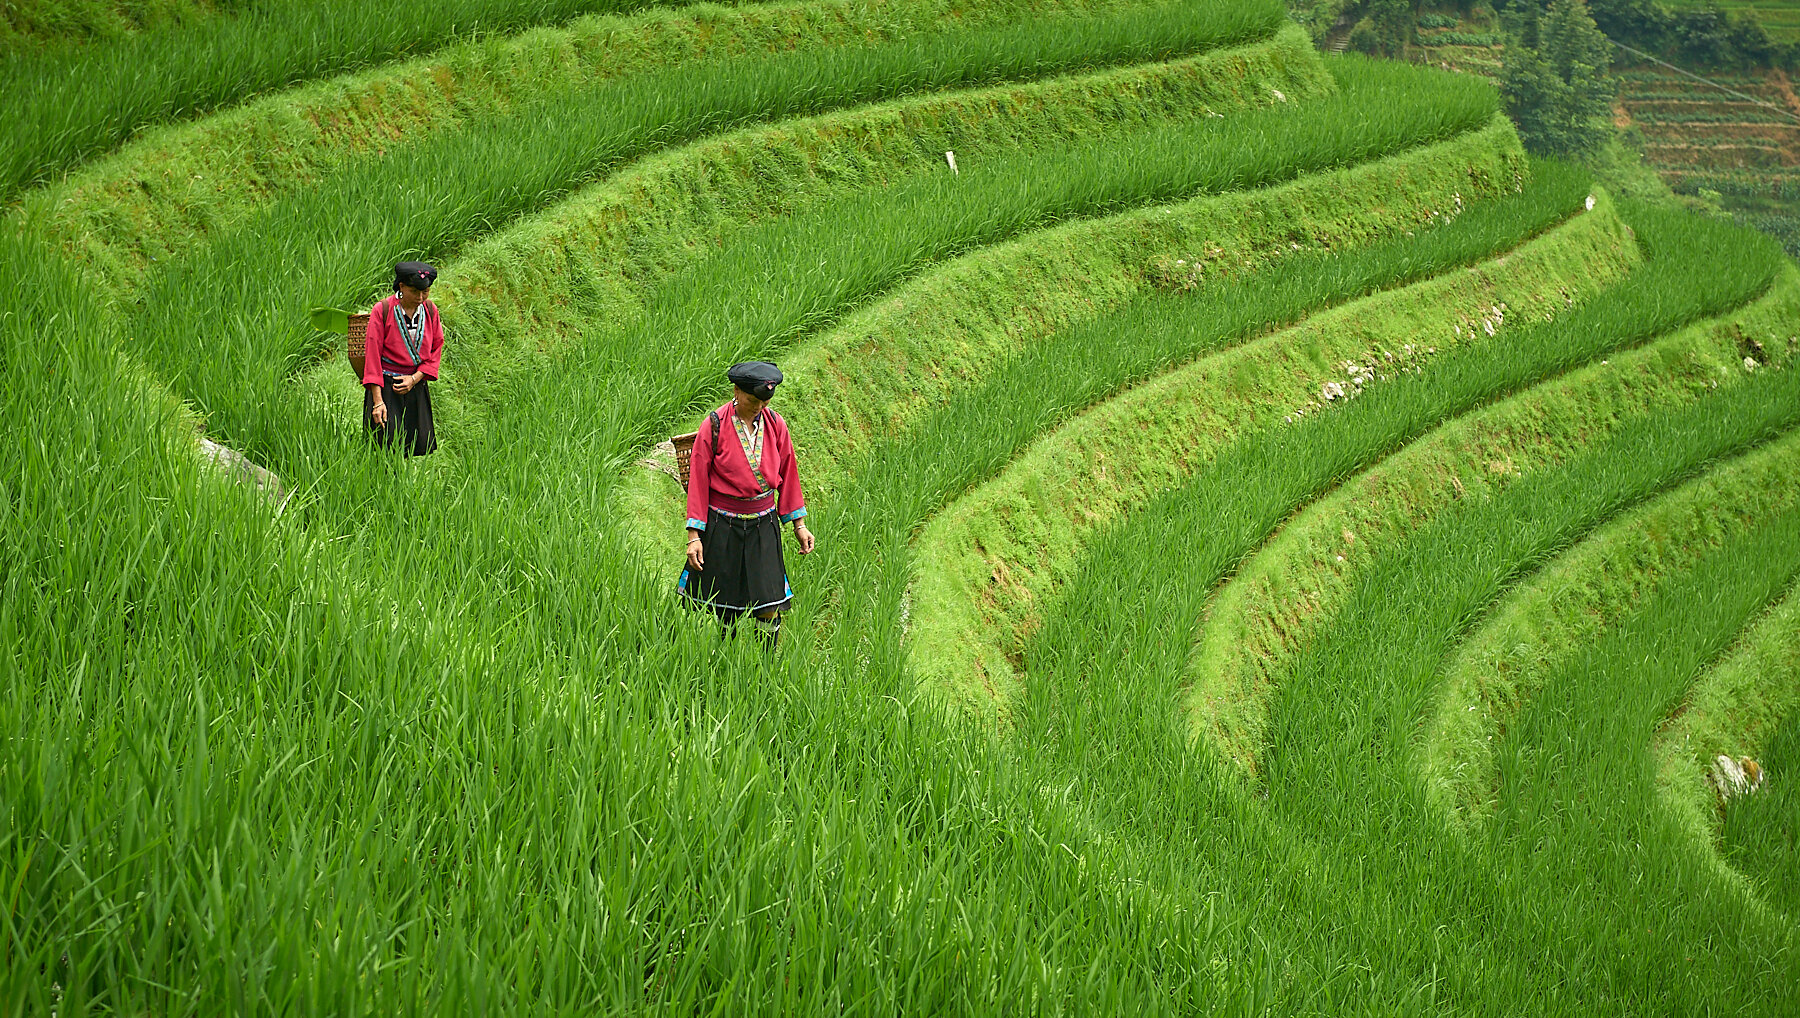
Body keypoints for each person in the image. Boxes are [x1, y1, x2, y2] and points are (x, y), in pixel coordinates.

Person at [678, 361, 815, 647]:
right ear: (736, 391)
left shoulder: (776, 425)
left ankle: (765, 668)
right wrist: (694, 537)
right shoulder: (713, 425)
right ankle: (726, 659)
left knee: (769, 602)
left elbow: (789, 473)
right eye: (753, 400)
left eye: (764, 402)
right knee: (726, 606)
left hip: (763, 524)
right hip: (722, 524)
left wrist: (799, 525)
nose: (759, 407)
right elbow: (699, 482)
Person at [363, 261, 443, 456]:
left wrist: (415, 378)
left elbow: (436, 348)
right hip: (387, 389)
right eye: (415, 291)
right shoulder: (382, 310)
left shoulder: (430, 311)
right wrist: (378, 402)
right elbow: (372, 356)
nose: (420, 297)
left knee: (412, 447)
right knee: (384, 449)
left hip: (416, 385)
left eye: (425, 292)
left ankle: (405, 486)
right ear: (401, 287)